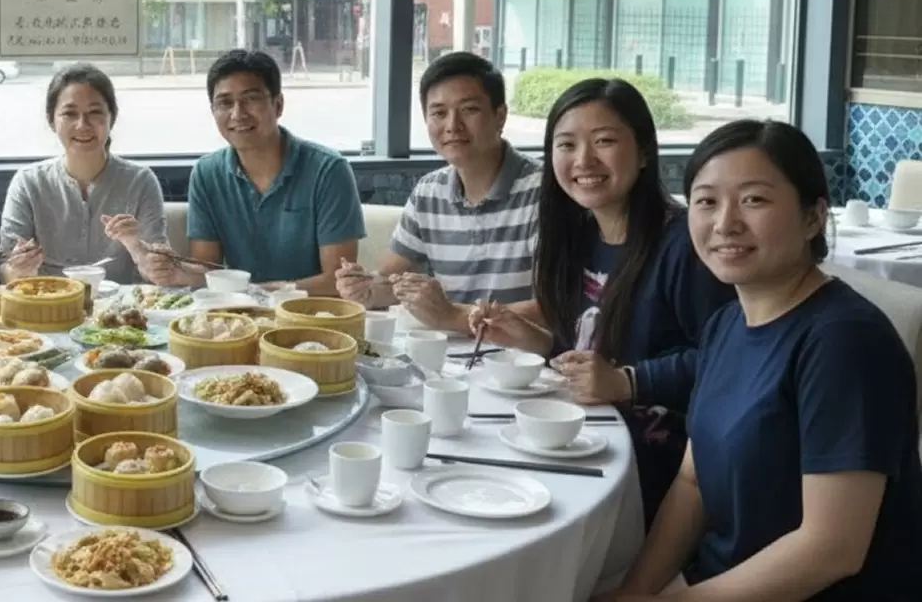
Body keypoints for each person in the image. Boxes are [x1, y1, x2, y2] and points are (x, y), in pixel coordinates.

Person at [601, 120, 921, 602]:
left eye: (754, 199)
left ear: (813, 217)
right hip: (720, 579)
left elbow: (831, 549)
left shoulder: (845, 342)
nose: (725, 223)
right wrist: (636, 590)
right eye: (706, 201)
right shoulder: (728, 324)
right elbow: (694, 480)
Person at [468, 78, 734, 526]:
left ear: (645, 152)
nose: (584, 160)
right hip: (588, 432)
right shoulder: (578, 237)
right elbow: (596, 362)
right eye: (566, 144)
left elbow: (728, 363)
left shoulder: (683, 245)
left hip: (663, 466)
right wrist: (535, 341)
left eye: (605, 141)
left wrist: (628, 381)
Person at [338, 51, 539, 330]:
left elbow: (555, 309)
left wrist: (453, 316)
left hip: (523, 364)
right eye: (439, 113)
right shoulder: (429, 193)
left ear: (500, 116)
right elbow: (389, 280)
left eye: (469, 110)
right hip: (453, 356)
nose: (452, 126)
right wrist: (365, 288)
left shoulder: (543, 192)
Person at [143, 49, 364, 292]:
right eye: (225, 103)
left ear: (278, 105)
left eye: (251, 99)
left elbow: (337, 280)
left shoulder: (328, 170)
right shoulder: (207, 174)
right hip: (237, 314)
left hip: (308, 314)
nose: (238, 114)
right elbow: (208, 268)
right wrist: (176, 270)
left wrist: (257, 291)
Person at [0, 64, 166, 285]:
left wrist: (137, 247)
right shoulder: (28, 183)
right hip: (48, 304)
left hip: (121, 310)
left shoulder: (141, 182)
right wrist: (19, 268)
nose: (82, 125)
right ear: (51, 120)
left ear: (111, 118)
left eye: (95, 113)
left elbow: (160, 272)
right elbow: (4, 269)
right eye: (69, 114)